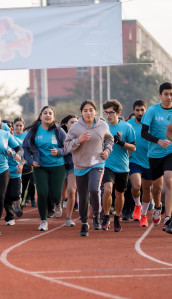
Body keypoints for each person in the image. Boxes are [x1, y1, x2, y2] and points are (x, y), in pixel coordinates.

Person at [64, 100, 114, 236]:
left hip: (97, 162)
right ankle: (85, 223)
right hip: (80, 164)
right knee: (83, 195)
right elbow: (67, 146)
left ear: (95, 111)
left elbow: (110, 139)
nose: (88, 113)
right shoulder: (75, 128)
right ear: (81, 112)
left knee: (94, 189)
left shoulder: (102, 125)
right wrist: (78, 140)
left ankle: (96, 217)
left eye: (91, 110)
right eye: (85, 110)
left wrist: (107, 151)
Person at [23, 106, 68, 232]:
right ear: (41, 115)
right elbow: (25, 147)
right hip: (40, 166)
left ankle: (57, 203)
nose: (47, 115)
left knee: (55, 194)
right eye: (45, 113)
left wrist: (59, 151)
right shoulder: (34, 130)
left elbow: (68, 147)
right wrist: (31, 161)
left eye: (50, 113)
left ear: (53, 117)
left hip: (57, 166)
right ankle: (43, 221)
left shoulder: (58, 130)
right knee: (42, 193)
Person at [101, 99, 136, 232]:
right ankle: (105, 216)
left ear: (118, 112)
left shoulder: (127, 127)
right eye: (106, 113)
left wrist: (122, 144)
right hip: (106, 164)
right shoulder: (102, 125)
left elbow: (133, 148)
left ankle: (116, 218)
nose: (108, 115)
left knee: (119, 193)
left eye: (111, 113)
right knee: (108, 190)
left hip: (122, 166)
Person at [142, 82, 172, 234]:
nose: (169, 97)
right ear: (160, 95)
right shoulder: (152, 111)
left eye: (171, 94)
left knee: (169, 179)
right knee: (157, 188)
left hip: (171, 152)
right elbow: (144, 133)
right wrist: (158, 141)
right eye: (166, 94)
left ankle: (168, 217)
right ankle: (158, 206)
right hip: (154, 153)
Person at [126, 100, 152, 227]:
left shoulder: (151, 124)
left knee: (147, 189)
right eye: (137, 110)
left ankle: (144, 215)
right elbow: (123, 140)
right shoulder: (128, 125)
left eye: (142, 110)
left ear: (146, 110)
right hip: (134, 161)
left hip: (150, 161)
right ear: (134, 111)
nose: (140, 112)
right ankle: (137, 205)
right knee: (136, 187)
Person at [60, 114, 78, 227]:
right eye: (72, 122)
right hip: (60, 167)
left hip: (73, 167)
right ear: (66, 124)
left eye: (76, 122)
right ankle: (58, 203)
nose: (74, 124)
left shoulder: (80, 135)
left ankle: (68, 218)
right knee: (61, 196)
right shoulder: (59, 135)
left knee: (72, 190)